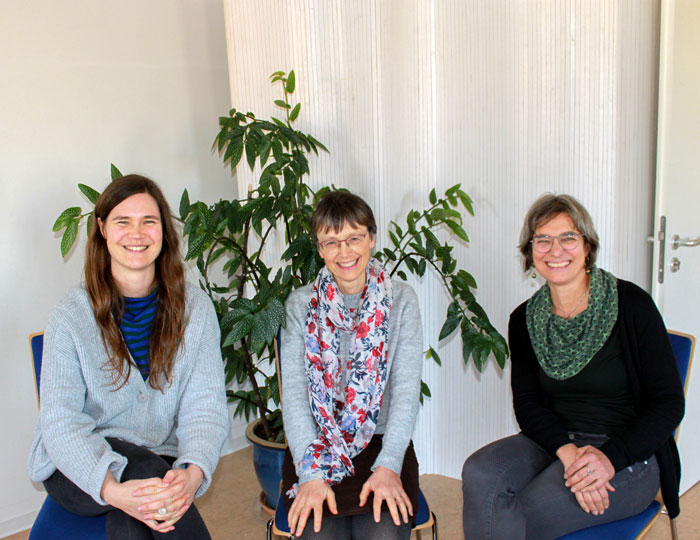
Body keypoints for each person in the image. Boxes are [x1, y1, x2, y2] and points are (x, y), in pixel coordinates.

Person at [461, 194, 685, 539]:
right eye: (543, 239)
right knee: (479, 473)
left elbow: (669, 403)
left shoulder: (632, 305)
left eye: (568, 237)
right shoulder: (523, 320)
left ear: (587, 247)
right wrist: (568, 453)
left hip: (629, 452)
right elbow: (528, 404)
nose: (555, 250)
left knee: (521, 511)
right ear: (529, 251)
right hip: (555, 443)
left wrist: (608, 459)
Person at [28, 175, 229, 539]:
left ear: (164, 231)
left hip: (158, 458)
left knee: (140, 512)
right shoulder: (71, 315)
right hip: (76, 464)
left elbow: (206, 405)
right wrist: (114, 491)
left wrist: (193, 473)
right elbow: (60, 421)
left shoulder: (195, 309)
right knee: (142, 481)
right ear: (103, 229)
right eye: (123, 221)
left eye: (149, 221)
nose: (137, 233)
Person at [279, 190, 423, 539]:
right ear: (319, 249)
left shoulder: (401, 300)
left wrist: (389, 465)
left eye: (354, 238)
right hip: (317, 444)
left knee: (384, 532)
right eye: (332, 242)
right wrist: (310, 475)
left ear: (371, 238)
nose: (344, 252)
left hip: (382, 442)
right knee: (318, 534)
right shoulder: (300, 305)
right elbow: (295, 398)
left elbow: (406, 393)